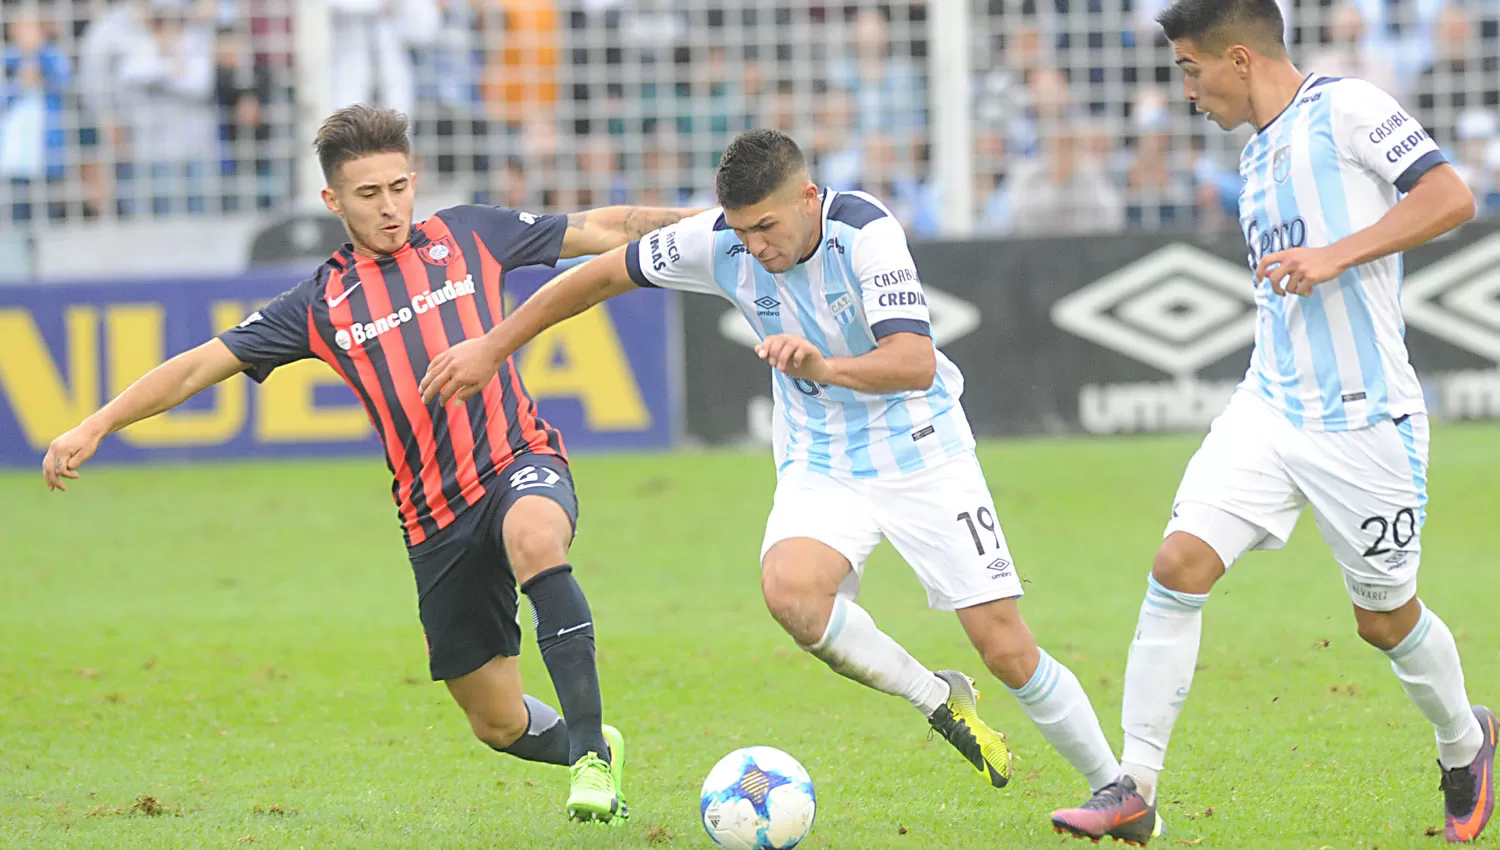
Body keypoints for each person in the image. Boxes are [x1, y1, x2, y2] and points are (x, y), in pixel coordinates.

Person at [421, 128, 1128, 803]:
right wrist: (493, 346)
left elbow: (914, 365)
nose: (753, 247)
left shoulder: (867, 234)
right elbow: (596, 278)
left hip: (922, 449)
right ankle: (937, 698)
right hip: (821, 457)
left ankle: (1116, 789)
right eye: (741, 230)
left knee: (1004, 646)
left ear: (807, 198)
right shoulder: (720, 239)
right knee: (792, 593)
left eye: (767, 228)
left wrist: (824, 365)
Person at [41, 105, 695, 824]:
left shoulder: (468, 234)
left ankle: (590, 764)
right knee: (498, 723)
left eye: (398, 186)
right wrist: (98, 421)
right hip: (433, 518)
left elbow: (601, 227)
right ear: (332, 201)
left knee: (536, 538)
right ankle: (591, 737)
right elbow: (202, 365)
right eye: (367, 194)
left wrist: (716, 222)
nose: (389, 207)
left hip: (519, 459)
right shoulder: (320, 301)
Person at [1050, 1, 1493, 844]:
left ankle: (1465, 744)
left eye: (1189, 68)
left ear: (1241, 58)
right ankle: (1133, 786)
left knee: (1383, 618)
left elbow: (1450, 196)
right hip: (1269, 404)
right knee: (1178, 563)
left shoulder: (1348, 107)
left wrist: (1336, 252)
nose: (1186, 90)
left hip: (1366, 418)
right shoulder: (1253, 156)